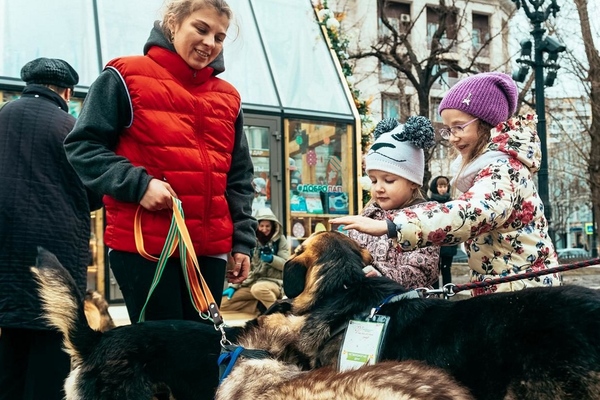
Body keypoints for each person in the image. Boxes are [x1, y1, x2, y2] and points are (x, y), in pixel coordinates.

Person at [64, 0, 257, 323]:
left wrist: (241, 242)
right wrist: (140, 185)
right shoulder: (124, 76)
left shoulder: (228, 97)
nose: (210, 43)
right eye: (201, 28)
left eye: (220, 37)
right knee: (159, 358)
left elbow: (238, 177)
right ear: (173, 24)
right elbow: (82, 146)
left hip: (209, 251)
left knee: (200, 354)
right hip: (145, 249)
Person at [332, 72, 561, 296]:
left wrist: (392, 226)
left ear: (487, 123)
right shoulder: (486, 170)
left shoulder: (504, 169)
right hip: (507, 290)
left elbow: (472, 212)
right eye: (448, 129)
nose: (451, 137)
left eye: (459, 127)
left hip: (525, 294)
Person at [0, 58, 101, 400]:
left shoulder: (2, 118)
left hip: (6, 253)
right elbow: (94, 192)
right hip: (54, 255)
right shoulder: (71, 128)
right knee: (52, 338)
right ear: (67, 91)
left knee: (11, 347)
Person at [346, 116, 440, 288]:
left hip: (410, 308)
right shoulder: (368, 216)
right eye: (374, 181)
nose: (379, 188)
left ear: (413, 182)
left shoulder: (425, 219)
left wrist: (379, 273)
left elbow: (422, 271)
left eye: (388, 180)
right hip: (368, 306)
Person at [221, 208, 290, 315]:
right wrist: (234, 286)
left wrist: (272, 259)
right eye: (261, 226)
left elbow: (286, 264)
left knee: (258, 289)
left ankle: (280, 314)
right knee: (223, 304)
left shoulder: (280, 240)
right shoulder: (252, 241)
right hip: (253, 282)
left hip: (274, 283)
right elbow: (248, 267)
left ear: (273, 226)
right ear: (257, 226)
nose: (264, 229)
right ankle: (260, 307)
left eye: (268, 226)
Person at [428, 175, 458, 288]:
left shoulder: (452, 202)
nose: (443, 189)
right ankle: (435, 293)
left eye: (445, 186)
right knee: (434, 270)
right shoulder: (430, 203)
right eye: (440, 186)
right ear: (435, 187)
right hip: (433, 241)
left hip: (448, 239)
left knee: (446, 268)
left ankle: (448, 292)